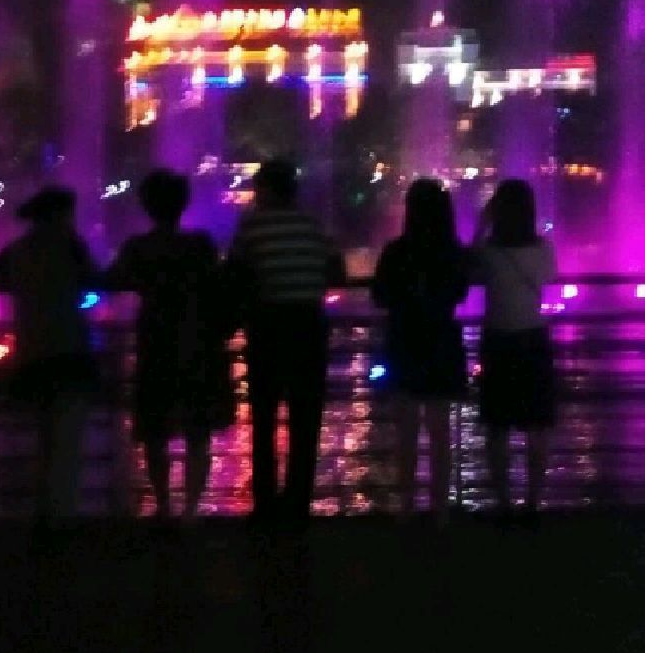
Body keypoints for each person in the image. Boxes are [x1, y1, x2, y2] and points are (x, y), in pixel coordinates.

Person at [105, 170, 234, 521]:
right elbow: (219, 283)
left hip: (156, 342)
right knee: (197, 431)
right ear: (183, 204)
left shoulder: (137, 248)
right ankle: (191, 510)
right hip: (198, 342)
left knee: (155, 431)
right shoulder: (201, 245)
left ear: (147, 206)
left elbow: (111, 278)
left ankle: (163, 504)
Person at [226, 160, 346, 525]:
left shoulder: (252, 227)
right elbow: (337, 273)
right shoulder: (315, 225)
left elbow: (236, 273)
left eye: (258, 187)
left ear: (268, 189)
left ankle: (265, 504)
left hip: (268, 325)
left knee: (263, 418)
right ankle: (298, 504)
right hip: (309, 325)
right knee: (305, 419)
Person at [0, 186, 99, 526]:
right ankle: (63, 515)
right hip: (70, 353)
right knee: (67, 440)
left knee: (43, 438)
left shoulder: (18, 250)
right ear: (60, 215)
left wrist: (19, 288)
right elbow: (95, 277)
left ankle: (44, 512)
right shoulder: (71, 247)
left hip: (33, 354)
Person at [372, 180, 470, 522]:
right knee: (440, 430)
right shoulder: (452, 252)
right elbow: (460, 293)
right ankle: (440, 508)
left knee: (407, 430)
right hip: (441, 341)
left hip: (404, 340)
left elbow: (379, 296)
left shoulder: (396, 251)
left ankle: (406, 505)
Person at [472, 179, 557, 515]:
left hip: (497, 340)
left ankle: (504, 503)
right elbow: (549, 278)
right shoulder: (543, 249)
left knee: (498, 426)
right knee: (537, 426)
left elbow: (468, 270)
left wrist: (481, 226)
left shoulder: (488, 252)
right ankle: (533, 501)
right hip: (533, 339)